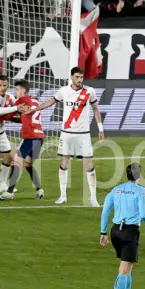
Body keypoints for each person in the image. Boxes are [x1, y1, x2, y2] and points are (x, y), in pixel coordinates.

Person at [36, 67, 105, 206]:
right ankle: (63, 196)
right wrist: (36, 108)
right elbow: (51, 102)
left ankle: (93, 198)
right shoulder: (64, 91)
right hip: (66, 133)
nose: (80, 80)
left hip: (83, 134)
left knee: (89, 164)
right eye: (77, 77)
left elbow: (96, 109)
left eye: (81, 77)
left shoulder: (89, 91)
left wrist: (100, 129)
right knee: (63, 163)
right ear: (72, 77)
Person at [99, 163, 145, 289]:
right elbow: (144, 213)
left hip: (115, 232)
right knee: (124, 270)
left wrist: (103, 232)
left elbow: (106, 210)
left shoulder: (116, 189)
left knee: (127, 266)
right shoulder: (140, 190)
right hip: (129, 232)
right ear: (138, 175)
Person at [0, 80, 46, 200]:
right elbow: (24, 117)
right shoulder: (35, 101)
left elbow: (8, 115)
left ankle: (9, 192)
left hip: (30, 137)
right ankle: (39, 190)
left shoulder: (21, 101)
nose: (15, 92)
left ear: (23, 91)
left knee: (16, 161)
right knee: (28, 164)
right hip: (40, 137)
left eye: (17, 89)